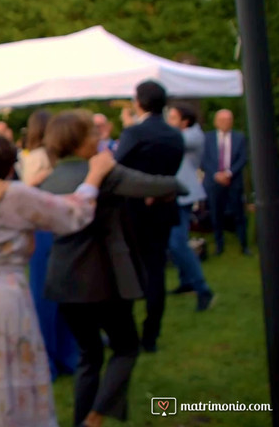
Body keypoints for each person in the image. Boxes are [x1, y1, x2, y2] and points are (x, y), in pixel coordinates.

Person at [0, 133, 117, 427]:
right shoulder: (14, 194)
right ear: (10, 164)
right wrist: (94, 175)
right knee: (6, 374)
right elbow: (74, 213)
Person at [41, 110, 188, 427]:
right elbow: (157, 185)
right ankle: (96, 416)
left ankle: (83, 419)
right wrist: (179, 183)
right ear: (79, 142)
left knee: (88, 356)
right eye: (92, 134)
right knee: (126, 348)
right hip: (103, 277)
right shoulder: (103, 171)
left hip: (63, 278)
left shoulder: (48, 178)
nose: (98, 139)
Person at [115, 80, 185, 353]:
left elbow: (119, 167)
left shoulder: (135, 133)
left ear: (139, 102)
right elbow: (171, 172)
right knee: (155, 272)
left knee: (130, 271)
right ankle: (151, 336)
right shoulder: (174, 135)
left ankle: (127, 333)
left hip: (134, 210)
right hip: (162, 209)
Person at [18, 109, 79, 381]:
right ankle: (51, 359)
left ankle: (66, 354)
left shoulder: (48, 156)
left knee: (60, 293)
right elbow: (28, 189)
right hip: (44, 228)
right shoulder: (39, 157)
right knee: (46, 295)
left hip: (51, 226)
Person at [165, 103, 215, 310]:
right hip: (175, 194)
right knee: (176, 242)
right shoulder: (183, 133)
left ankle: (203, 290)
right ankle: (186, 282)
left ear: (185, 121)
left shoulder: (192, 135)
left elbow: (172, 140)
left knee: (178, 243)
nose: (168, 121)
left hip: (183, 195)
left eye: (173, 117)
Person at [201, 109, 250, 256]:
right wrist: (216, 174)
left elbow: (243, 158)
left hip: (233, 181)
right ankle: (219, 245)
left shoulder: (239, 137)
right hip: (214, 181)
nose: (226, 123)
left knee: (239, 213)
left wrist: (229, 173)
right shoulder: (207, 138)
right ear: (216, 122)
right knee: (216, 214)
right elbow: (203, 160)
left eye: (229, 120)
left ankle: (244, 245)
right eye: (222, 120)